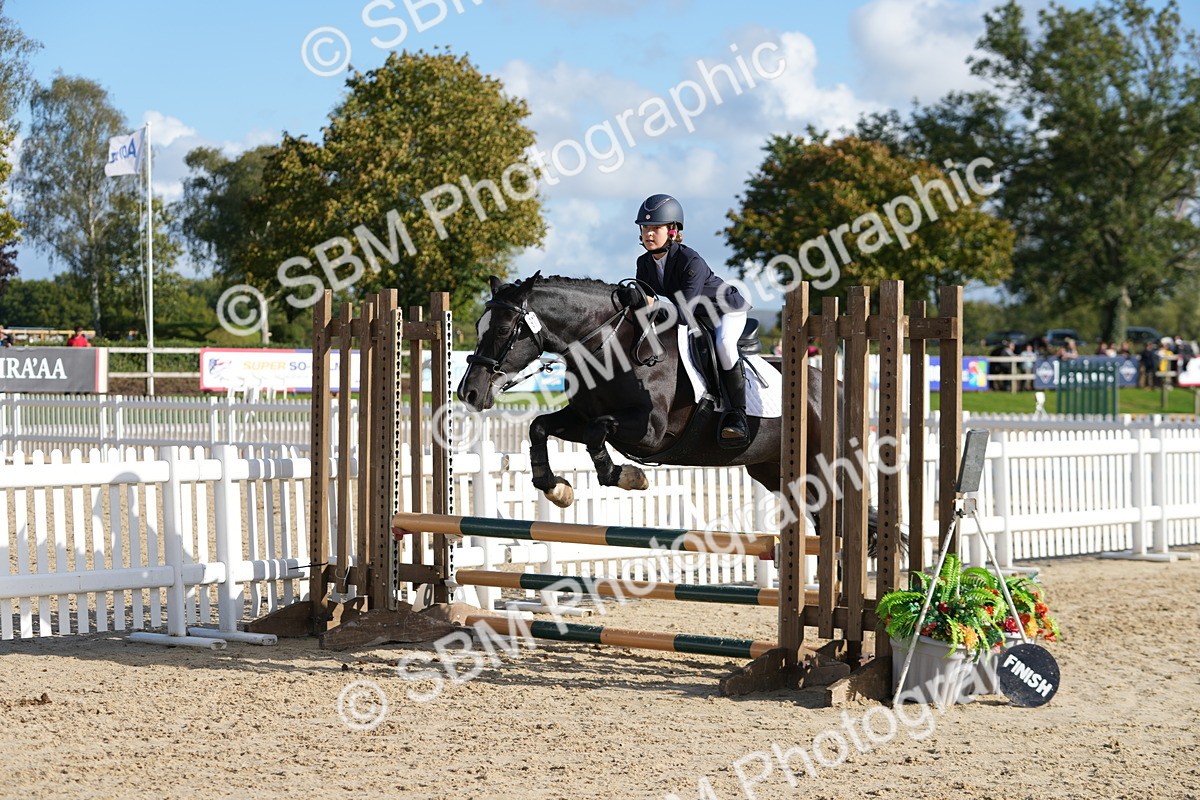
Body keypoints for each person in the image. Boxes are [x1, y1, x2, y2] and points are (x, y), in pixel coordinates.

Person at [632, 193, 752, 447]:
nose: (649, 234)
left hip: (725, 312)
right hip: (695, 313)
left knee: (724, 347)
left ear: (673, 231)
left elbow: (682, 312)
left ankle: (737, 414)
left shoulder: (690, 260)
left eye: (656, 228)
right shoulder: (644, 263)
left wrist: (655, 305)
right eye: (645, 228)